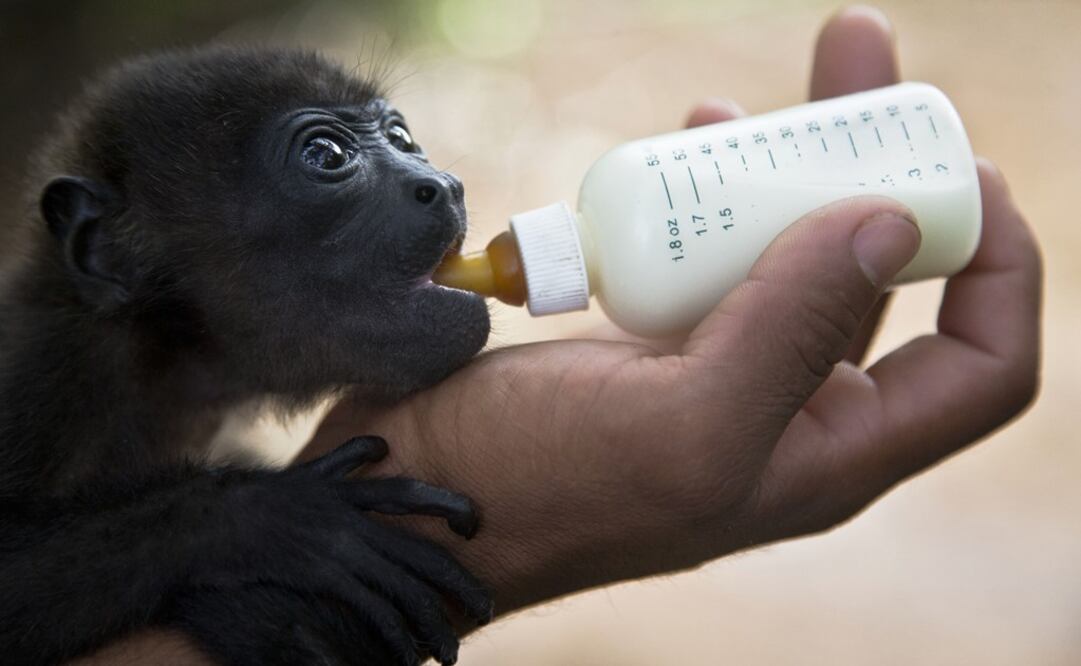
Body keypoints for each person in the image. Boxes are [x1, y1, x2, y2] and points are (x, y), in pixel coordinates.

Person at [77, 4, 1041, 662]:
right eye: (326, 155)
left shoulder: (176, 419)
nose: (438, 186)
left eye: (397, 136)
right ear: (111, 246)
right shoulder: (50, 398)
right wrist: (256, 546)